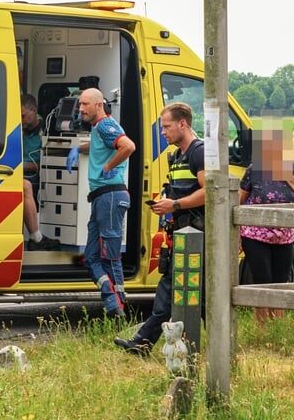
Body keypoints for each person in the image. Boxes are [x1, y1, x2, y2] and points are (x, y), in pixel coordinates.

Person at [115, 101, 203, 356]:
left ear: (182, 124)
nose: (163, 132)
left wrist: (174, 205)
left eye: (166, 127)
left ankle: (143, 343)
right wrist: (166, 203)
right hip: (180, 235)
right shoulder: (176, 157)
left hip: (197, 237)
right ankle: (143, 342)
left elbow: (209, 192)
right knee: (175, 289)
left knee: (186, 291)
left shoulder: (199, 153)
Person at [239, 127, 294, 316]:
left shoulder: (293, 168)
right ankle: (262, 328)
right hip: (255, 235)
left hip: (284, 236)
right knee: (262, 281)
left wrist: (288, 176)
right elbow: (240, 202)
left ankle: (277, 326)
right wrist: (237, 235)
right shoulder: (254, 170)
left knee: (281, 282)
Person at [70, 77, 133, 317]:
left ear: (99, 105)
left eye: (85, 104)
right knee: (91, 258)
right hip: (101, 198)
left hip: (110, 196)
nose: (80, 109)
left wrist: (108, 167)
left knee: (110, 256)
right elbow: (99, 145)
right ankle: (111, 299)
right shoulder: (99, 128)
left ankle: (119, 309)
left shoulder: (105, 125)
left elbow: (128, 146)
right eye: (79, 104)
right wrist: (78, 148)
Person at [18, 93, 52, 249]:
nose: (21, 120)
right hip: (16, 172)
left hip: (33, 175)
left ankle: (35, 238)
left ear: (33, 111)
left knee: (27, 186)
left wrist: (23, 165)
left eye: (23, 116)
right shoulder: (18, 130)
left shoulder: (45, 130)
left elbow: (45, 163)